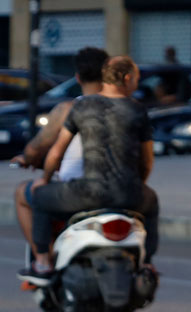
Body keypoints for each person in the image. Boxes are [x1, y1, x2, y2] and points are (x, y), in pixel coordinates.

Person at [21, 56, 161, 284]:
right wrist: (138, 185)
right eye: (136, 78)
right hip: (129, 194)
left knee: (39, 198)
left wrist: (44, 179)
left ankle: (43, 262)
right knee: (152, 203)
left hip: (86, 192)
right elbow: (147, 162)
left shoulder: (82, 106)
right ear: (127, 78)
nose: (136, 83)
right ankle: (147, 262)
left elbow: (56, 152)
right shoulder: (137, 110)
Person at [11, 47, 109, 245]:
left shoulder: (67, 110)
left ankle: (43, 260)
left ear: (78, 78)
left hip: (75, 191)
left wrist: (27, 159)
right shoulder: (123, 110)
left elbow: (39, 150)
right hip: (117, 191)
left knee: (24, 193)